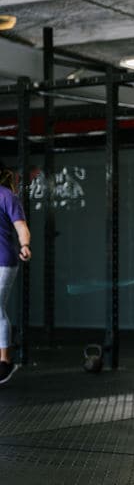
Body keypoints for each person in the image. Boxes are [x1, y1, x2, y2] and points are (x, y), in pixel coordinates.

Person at [0, 165, 30, 385]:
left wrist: (25, 245)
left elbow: (21, 227)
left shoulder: (7, 196)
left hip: (4, 261)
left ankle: (5, 362)